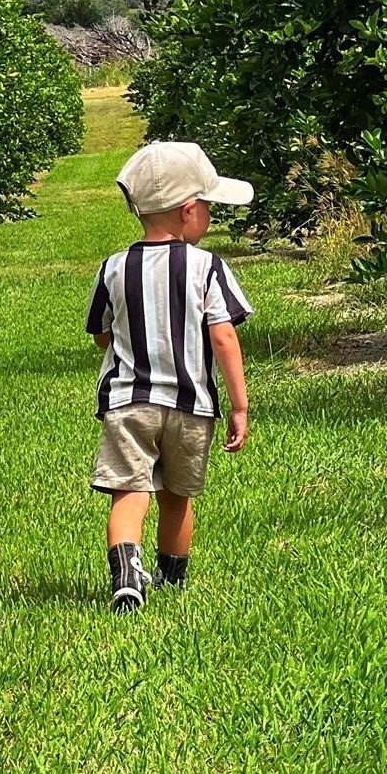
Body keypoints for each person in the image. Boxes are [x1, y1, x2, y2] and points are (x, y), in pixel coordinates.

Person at [85, 140, 255, 614]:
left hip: (127, 403)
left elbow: (101, 334)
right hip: (190, 405)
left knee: (130, 489)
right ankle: (172, 576)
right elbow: (224, 338)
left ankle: (126, 577)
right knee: (178, 496)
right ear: (188, 211)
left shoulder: (114, 268)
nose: (210, 218)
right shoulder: (207, 267)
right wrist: (239, 406)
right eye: (209, 208)